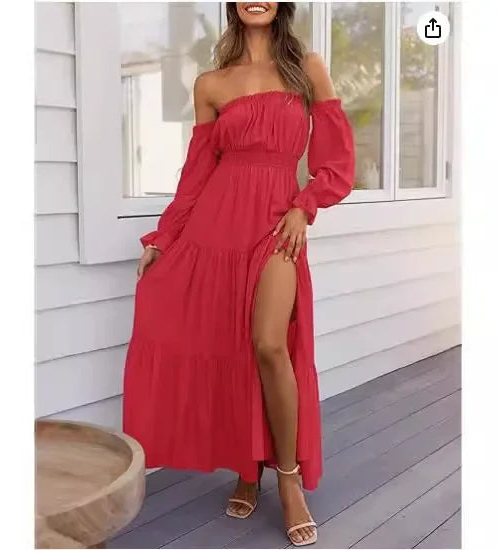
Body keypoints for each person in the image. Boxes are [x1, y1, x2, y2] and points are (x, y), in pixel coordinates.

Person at [123, 2, 355, 546]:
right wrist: (164, 237)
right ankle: (246, 469)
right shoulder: (211, 84)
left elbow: (337, 161)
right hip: (215, 228)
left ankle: (288, 480)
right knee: (231, 347)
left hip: (277, 224)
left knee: (270, 345)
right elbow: (197, 174)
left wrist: (304, 207)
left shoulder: (307, 69)